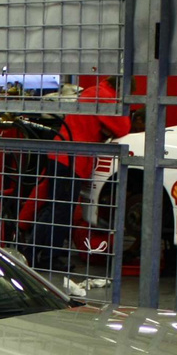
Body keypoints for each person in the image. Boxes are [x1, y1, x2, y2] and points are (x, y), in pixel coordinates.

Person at [26, 78, 134, 269]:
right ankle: (44, 257)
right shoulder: (106, 97)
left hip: (62, 155)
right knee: (60, 210)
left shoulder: (94, 91)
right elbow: (123, 127)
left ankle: (35, 254)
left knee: (55, 207)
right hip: (72, 158)